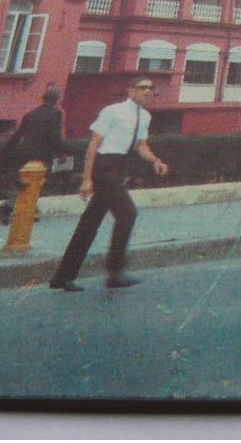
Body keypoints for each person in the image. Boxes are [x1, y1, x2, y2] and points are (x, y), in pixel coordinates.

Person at [49, 77, 170, 292]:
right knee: (128, 213)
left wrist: (156, 160)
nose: (148, 92)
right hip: (104, 167)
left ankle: (63, 276)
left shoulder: (145, 116)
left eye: (151, 89)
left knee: (90, 221)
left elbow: (141, 146)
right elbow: (94, 145)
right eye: (143, 88)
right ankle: (115, 272)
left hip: (118, 167)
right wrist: (86, 179)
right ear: (131, 90)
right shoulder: (112, 111)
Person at [0, 85, 67, 225]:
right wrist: (60, 153)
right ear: (57, 100)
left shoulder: (31, 113)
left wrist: (5, 150)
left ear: (43, 99)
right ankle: (9, 206)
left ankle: (30, 209)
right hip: (43, 154)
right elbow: (55, 135)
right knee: (36, 182)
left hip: (25, 152)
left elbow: (18, 134)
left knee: (25, 181)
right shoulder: (56, 114)